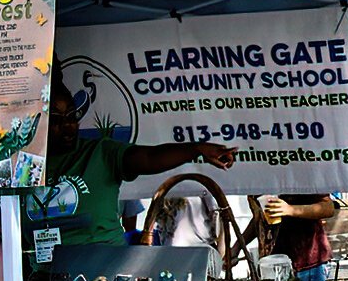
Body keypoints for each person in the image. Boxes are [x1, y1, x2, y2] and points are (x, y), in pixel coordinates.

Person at [25, 78, 237, 249]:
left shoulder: (99, 153)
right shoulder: (21, 164)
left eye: (73, 115)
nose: (68, 125)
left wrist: (195, 149)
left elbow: (148, 158)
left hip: (103, 275)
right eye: (56, 119)